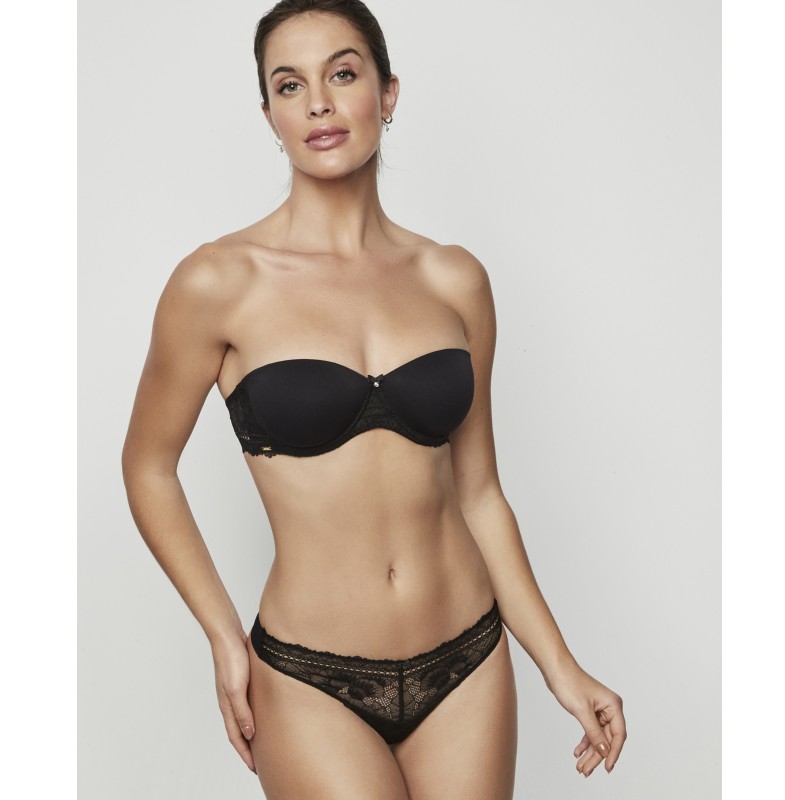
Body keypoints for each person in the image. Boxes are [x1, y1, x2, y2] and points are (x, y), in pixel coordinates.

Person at [121, 1, 627, 797]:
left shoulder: (453, 280)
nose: (318, 104)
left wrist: (561, 667)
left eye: (343, 74)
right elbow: (148, 467)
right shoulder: (217, 283)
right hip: (310, 679)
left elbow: (481, 496)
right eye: (290, 85)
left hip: (468, 660)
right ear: (269, 115)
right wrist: (222, 633)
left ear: (387, 94)